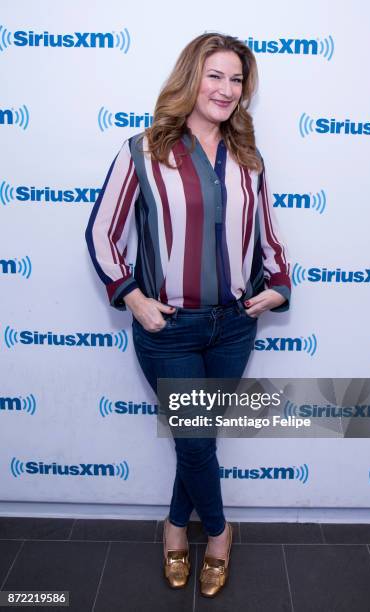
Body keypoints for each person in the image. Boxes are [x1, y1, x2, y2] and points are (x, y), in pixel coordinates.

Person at [85, 32, 291, 598]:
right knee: (197, 441)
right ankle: (220, 536)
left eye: (236, 79)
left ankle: (176, 528)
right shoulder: (145, 150)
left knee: (194, 437)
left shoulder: (249, 158)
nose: (226, 89)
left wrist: (277, 285)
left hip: (233, 326)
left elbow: (267, 233)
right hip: (168, 330)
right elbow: (103, 233)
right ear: (190, 79)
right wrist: (132, 296)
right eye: (215, 75)